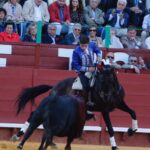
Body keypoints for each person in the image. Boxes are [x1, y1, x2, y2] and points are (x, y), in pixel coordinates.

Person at [71, 35, 102, 105]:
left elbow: (98, 51)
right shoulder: (76, 51)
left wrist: (99, 57)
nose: (83, 47)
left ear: (88, 44)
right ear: (79, 43)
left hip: (94, 67)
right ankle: (88, 100)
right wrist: (87, 69)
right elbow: (75, 65)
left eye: (85, 45)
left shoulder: (92, 45)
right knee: (86, 85)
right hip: (82, 72)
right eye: (82, 45)